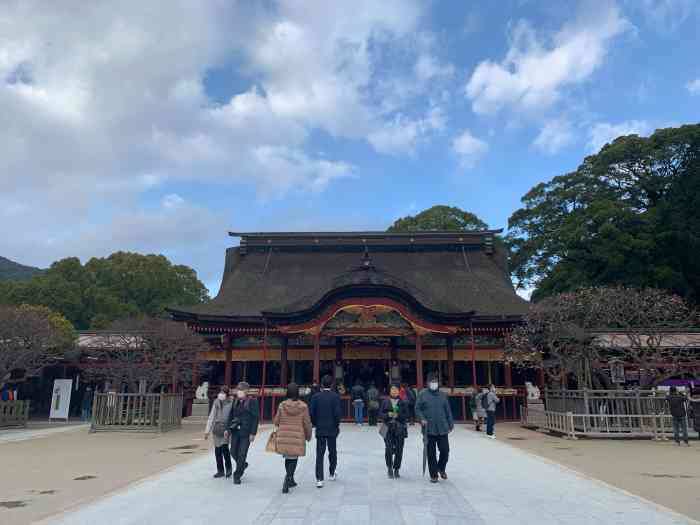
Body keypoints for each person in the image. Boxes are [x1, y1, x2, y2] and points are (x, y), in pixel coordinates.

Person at [273, 383, 312, 493]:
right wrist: (308, 435)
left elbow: (276, 421)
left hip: (284, 435)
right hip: (297, 436)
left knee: (287, 457)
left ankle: (291, 479)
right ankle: (287, 479)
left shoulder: (282, 405)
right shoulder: (303, 406)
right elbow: (307, 423)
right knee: (294, 458)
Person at [416, 374, 453, 483]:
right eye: (432, 381)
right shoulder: (422, 394)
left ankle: (441, 468)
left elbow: (448, 410)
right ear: (427, 383)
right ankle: (433, 474)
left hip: (442, 427)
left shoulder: (443, 395)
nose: (434, 383)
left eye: (435, 381)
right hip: (428, 428)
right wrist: (421, 419)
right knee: (431, 453)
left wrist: (450, 424)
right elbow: (417, 409)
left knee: (445, 450)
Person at [310, 375, 341, 488]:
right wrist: (337, 425)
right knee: (332, 451)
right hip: (332, 427)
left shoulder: (316, 397)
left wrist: (315, 423)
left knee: (320, 453)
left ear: (322, 384)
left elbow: (312, 413)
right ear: (332, 384)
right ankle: (332, 472)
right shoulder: (335, 397)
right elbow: (337, 414)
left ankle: (319, 478)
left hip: (320, 427)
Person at [225, 381, 259, 484]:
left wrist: (253, 433)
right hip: (235, 431)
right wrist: (227, 429)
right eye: (238, 390)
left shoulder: (252, 401)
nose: (239, 392)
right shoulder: (235, 401)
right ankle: (242, 465)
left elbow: (255, 418)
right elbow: (230, 416)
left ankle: (237, 474)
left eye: (241, 390)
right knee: (233, 451)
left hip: (246, 432)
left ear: (246, 391)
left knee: (242, 454)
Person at [379, 384, 409, 479]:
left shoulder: (403, 402)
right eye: (392, 389)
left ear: (399, 391)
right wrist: (388, 414)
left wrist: (398, 415)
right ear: (390, 390)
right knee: (388, 448)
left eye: (396, 389)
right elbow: (380, 414)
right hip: (387, 427)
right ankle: (389, 467)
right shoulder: (385, 401)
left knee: (399, 449)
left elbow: (406, 415)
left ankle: (396, 469)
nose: (394, 391)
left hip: (399, 428)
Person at [205, 387, 233, 478]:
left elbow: (232, 417)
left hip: (226, 428)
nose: (221, 394)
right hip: (217, 428)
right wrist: (207, 431)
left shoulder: (231, 403)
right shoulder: (216, 402)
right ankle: (220, 470)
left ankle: (229, 468)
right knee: (217, 450)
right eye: (220, 392)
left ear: (227, 394)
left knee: (225, 448)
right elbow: (212, 416)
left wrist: (230, 429)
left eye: (223, 392)